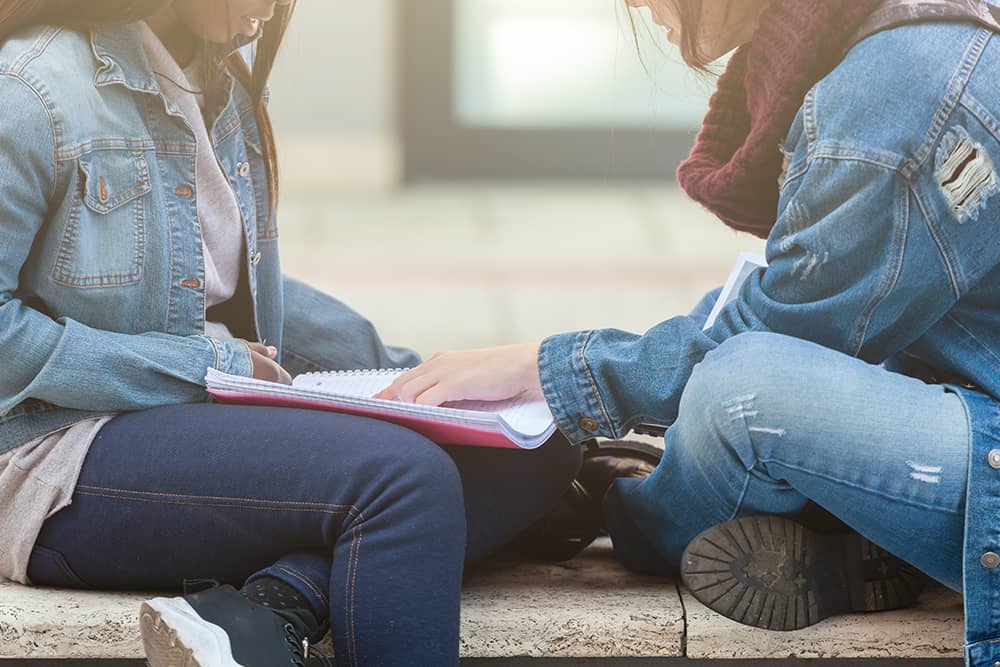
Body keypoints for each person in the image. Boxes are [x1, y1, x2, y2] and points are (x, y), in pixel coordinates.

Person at [377, 0, 1000, 663]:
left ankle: (625, 513)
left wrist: (548, 367)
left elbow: (785, 336)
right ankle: (847, 538)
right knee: (729, 358)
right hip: (955, 405)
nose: (636, 5)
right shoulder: (886, 44)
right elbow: (793, 293)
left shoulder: (898, 86)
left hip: (982, 439)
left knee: (740, 395)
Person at [0, 1, 584, 665]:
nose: (274, 7)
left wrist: (413, 379)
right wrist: (205, 364)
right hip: (50, 456)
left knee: (540, 438)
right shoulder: (30, 90)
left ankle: (274, 606)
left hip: (183, 415)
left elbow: (223, 289)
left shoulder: (219, 74)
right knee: (404, 482)